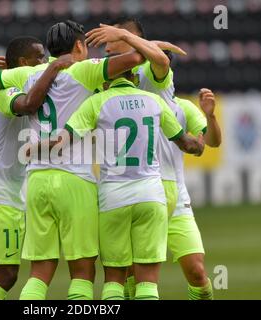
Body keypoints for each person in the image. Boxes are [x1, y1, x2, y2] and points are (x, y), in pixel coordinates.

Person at [0, 19, 167, 300]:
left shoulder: (29, 74)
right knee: (82, 272)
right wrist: (123, 34)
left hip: (37, 181)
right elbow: (138, 57)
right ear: (79, 45)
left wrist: (12, 68)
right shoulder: (86, 71)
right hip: (76, 179)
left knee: (38, 272)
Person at [86, 17, 222, 300]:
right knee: (133, 277)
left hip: (172, 193)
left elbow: (160, 60)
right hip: (141, 190)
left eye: (113, 42)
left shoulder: (152, 78)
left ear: (131, 40)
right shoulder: (109, 79)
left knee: (197, 271)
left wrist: (209, 116)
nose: (108, 49)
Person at [63, 70, 204, 300]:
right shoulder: (154, 100)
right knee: (147, 283)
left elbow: (67, 138)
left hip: (113, 197)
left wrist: (39, 147)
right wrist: (198, 145)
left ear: (106, 81)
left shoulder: (97, 101)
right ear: (135, 79)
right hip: (150, 195)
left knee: (115, 280)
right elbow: (186, 144)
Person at [0, 36, 73, 300]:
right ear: (22, 63)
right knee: (6, 275)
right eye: (39, 58)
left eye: (46, 58)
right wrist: (52, 69)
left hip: (5, 194)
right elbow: (30, 104)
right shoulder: (6, 92)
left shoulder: (16, 80)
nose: (44, 62)